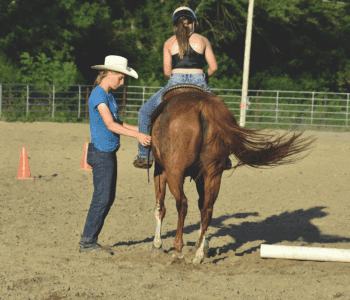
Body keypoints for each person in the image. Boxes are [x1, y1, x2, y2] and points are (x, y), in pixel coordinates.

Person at [133, 6, 232, 170]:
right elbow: (214, 67)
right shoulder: (203, 40)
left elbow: (166, 72)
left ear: (175, 26)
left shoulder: (169, 43)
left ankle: (144, 156)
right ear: (194, 23)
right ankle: (224, 156)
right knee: (222, 114)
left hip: (176, 81)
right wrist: (204, 77)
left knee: (144, 112)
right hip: (199, 81)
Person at [79, 55, 151, 253]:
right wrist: (137, 134)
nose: (122, 81)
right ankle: (87, 242)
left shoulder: (108, 95)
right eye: (120, 78)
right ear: (109, 73)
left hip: (107, 153)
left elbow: (117, 123)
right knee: (102, 198)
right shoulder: (99, 95)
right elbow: (110, 125)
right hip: (101, 154)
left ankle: (89, 240)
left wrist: (139, 129)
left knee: (106, 197)